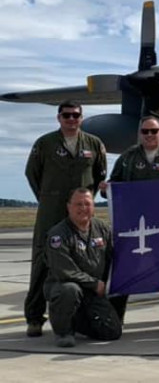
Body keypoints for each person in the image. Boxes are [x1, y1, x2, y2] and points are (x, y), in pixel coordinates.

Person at [23, 100, 107, 337]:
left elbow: (100, 172)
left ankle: (83, 316)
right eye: (66, 115)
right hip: (51, 211)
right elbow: (33, 174)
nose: (71, 120)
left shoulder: (94, 144)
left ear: (82, 118)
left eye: (75, 115)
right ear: (58, 118)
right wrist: (49, 198)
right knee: (42, 262)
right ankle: (34, 317)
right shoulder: (45, 143)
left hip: (81, 213)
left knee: (86, 261)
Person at [106, 115, 159, 332]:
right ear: (140, 134)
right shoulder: (127, 159)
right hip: (131, 224)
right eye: (145, 131)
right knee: (125, 268)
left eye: (154, 131)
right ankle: (116, 317)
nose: (150, 135)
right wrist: (106, 189)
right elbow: (114, 188)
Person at [44, 187, 122, 347]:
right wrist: (95, 284)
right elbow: (64, 271)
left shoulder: (102, 228)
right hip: (66, 285)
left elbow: (113, 257)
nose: (83, 208)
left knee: (112, 333)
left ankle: (79, 320)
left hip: (93, 291)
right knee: (69, 290)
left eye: (87, 204)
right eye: (78, 204)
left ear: (93, 206)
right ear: (68, 207)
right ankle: (63, 331)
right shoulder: (58, 234)